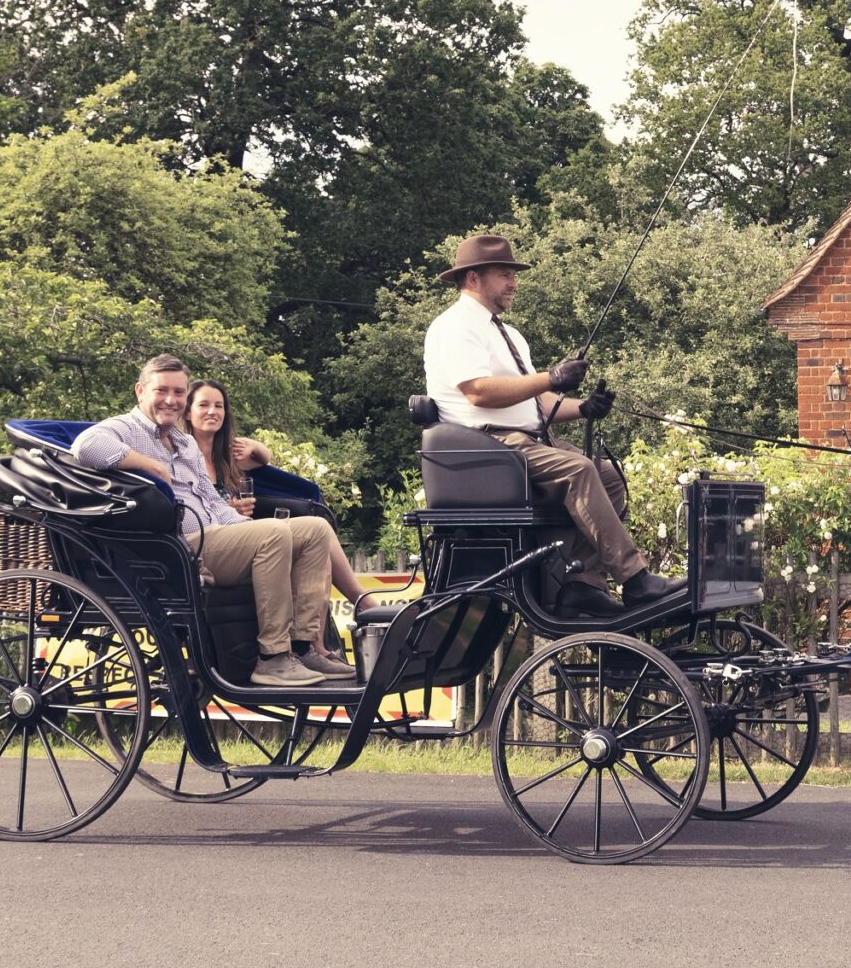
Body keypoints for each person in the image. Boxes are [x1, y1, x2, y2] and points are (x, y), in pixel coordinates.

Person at [422, 233, 679, 614]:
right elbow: (478, 393)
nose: (514, 282)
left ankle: (583, 586)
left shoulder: (509, 334)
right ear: (473, 278)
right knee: (578, 469)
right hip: (485, 449)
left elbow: (539, 401)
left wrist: (583, 407)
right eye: (504, 274)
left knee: (607, 475)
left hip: (525, 443)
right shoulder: (455, 326)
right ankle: (636, 579)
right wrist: (552, 376)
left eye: (513, 274)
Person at [69, 355, 351, 686]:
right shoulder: (126, 428)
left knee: (314, 529)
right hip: (179, 550)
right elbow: (85, 446)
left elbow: (213, 502)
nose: (171, 400)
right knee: (274, 533)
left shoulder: (185, 442)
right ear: (140, 391)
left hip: (215, 536)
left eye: (178, 392)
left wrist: (251, 530)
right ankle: (273, 658)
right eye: (162, 391)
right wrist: (148, 465)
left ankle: (304, 647)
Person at [183, 377, 378, 613]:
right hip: (214, 543)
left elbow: (265, 458)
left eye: (219, 405)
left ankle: (318, 643)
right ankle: (363, 603)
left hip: (244, 531)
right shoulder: (180, 455)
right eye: (204, 405)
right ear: (187, 412)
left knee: (319, 538)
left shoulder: (229, 455)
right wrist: (229, 511)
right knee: (306, 535)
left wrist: (254, 447)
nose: (212, 411)